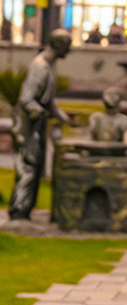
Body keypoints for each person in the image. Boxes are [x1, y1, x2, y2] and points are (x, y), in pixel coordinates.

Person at [8, 29, 76, 219]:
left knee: (36, 166)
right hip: (26, 125)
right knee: (29, 167)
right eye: (68, 46)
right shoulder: (40, 67)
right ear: (58, 45)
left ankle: (25, 211)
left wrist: (60, 115)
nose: (69, 51)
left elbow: (48, 99)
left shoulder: (49, 65)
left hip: (36, 124)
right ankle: (18, 211)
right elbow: (26, 100)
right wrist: (42, 112)